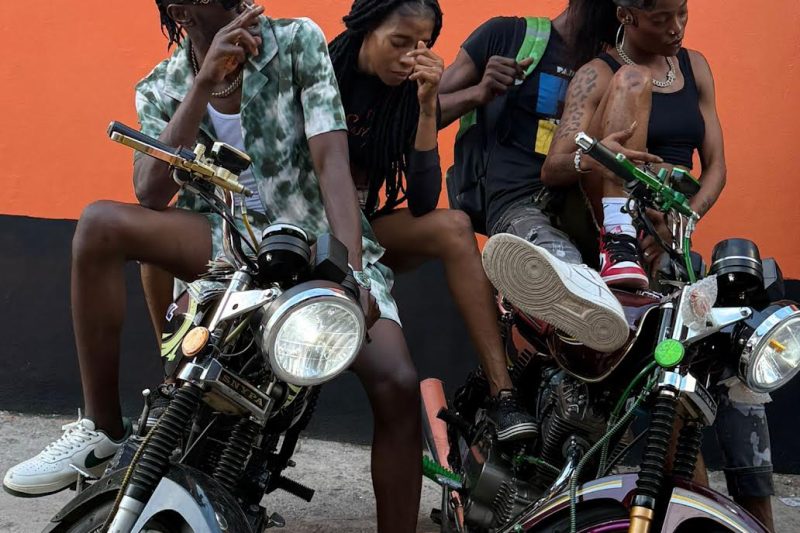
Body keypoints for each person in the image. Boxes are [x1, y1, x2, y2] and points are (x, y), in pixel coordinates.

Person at [3, 2, 421, 530]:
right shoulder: (162, 86)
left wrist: (352, 273)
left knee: (397, 381)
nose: (244, 6)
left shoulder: (297, 41)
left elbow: (331, 161)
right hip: (225, 240)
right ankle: (103, 428)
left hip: (314, 239)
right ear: (183, 11)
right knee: (98, 224)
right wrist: (203, 83)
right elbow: (150, 192)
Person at [457, 0, 773, 529]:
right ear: (626, 15)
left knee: (737, 380)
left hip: (672, 241)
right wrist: (601, 155)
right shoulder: (601, 74)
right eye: (661, 18)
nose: (676, 28)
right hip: (613, 229)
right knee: (661, 376)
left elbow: (716, 166)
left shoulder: (695, 67)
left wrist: (682, 221)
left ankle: (755, 519)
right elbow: (556, 166)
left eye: (682, 13)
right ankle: (607, 253)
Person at [328, 0, 537, 443]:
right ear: (365, 29)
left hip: (363, 233)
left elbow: (423, 202)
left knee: (454, 226)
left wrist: (426, 109)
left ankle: (503, 394)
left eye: (421, 46)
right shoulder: (323, 72)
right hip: (304, 225)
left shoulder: (405, 94)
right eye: (398, 42)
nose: (409, 57)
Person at [438, 1, 648, 353]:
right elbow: (416, 113)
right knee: (564, 274)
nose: (625, 18)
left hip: (587, 209)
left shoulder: (616, 63)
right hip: (519, 204)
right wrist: (479, 92)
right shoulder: (508, 35)